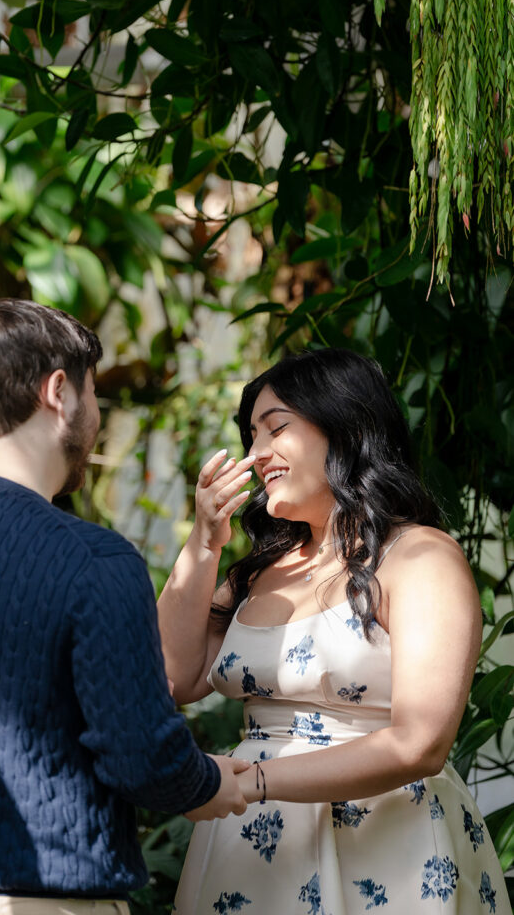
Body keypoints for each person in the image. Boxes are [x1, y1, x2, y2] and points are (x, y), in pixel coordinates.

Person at [0, 298, 249, 915]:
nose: (94, 416)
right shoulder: (93, 559)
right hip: (46, 900)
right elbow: (142, 754)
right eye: (94, 395)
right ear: (58, 392)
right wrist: (212, 782)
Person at [158, 348, 508, 914]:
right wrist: (203, 545)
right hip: (251, 846)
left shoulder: (418, 555)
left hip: (385, 837)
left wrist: (254, 784)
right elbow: (173, 678)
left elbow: (421, 743)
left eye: (277, 429)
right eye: (251, 436)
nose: (257, 454)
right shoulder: (256, 571)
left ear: (344, 426)